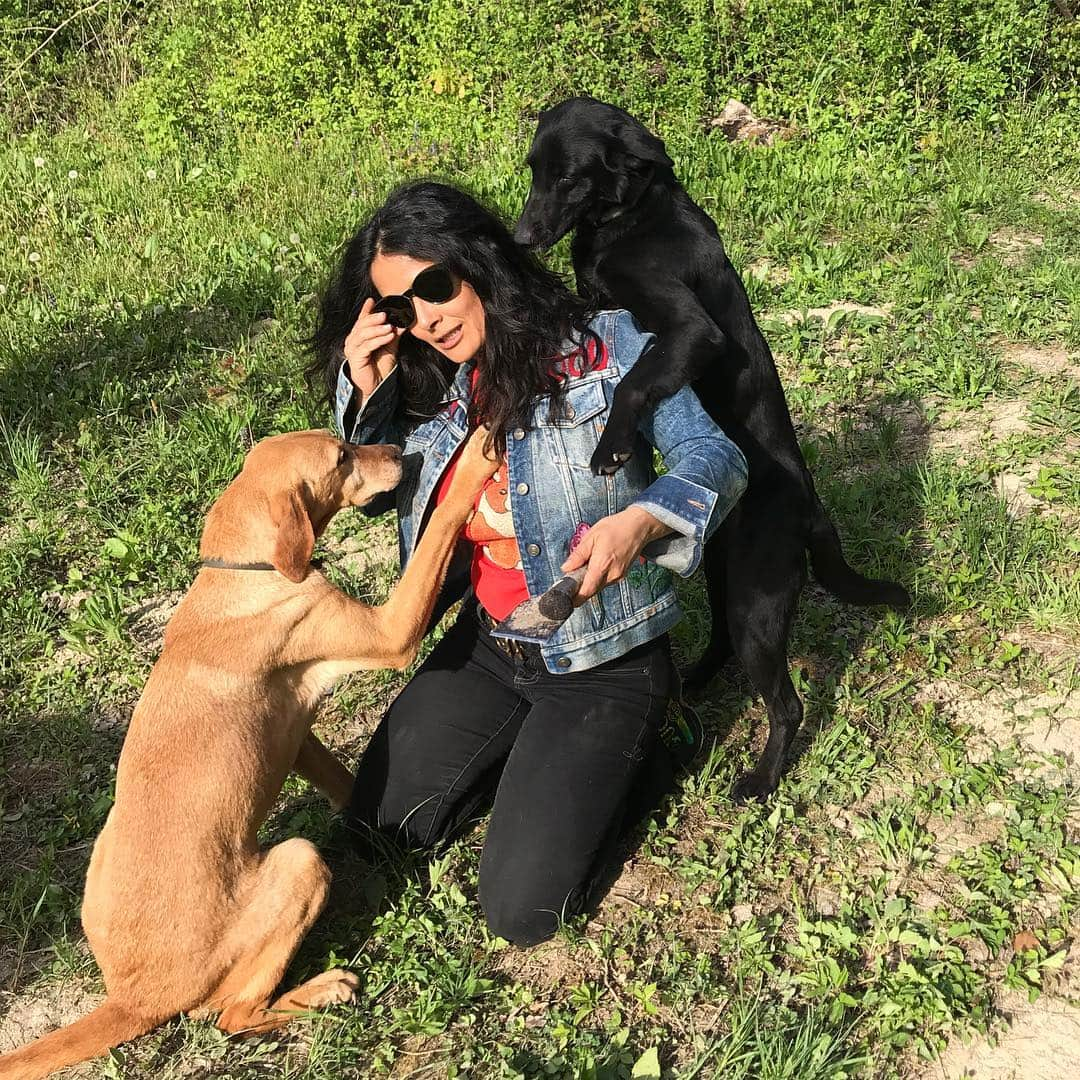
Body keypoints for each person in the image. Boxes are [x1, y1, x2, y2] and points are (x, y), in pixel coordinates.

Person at [308, 181, 747, 946]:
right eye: (403, 309)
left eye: (435, 287)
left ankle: (645, 738)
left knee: (523, 913)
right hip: (489, 647)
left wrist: (643, 518)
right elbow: (380, 498)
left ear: (479, 263)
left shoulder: (612, 346)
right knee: (378, 829)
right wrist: (366, 389)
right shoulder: (442, 390)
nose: (429, 318)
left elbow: (713, 453)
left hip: (601, 657)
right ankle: (529, 750)